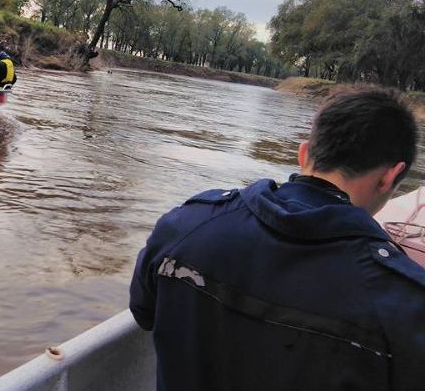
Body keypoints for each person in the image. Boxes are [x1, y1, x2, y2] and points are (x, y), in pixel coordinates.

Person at [129, 86, 424, 391]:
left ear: (304, 153)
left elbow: (143, 311)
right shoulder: (404, 301)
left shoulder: (187, 225)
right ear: (391, 176)